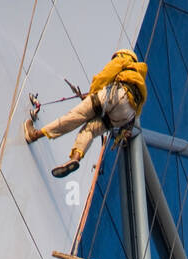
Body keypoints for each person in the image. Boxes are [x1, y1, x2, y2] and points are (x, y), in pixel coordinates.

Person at [23, 49, 148, 177]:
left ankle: (35, 134)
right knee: (90, 130)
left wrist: (92, 95)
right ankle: (75, 158)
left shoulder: (123, 59)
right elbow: (136, 113)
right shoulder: (140, 81)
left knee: (76, 116)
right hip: (126, 115)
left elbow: (104, 76)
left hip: (118, 95)